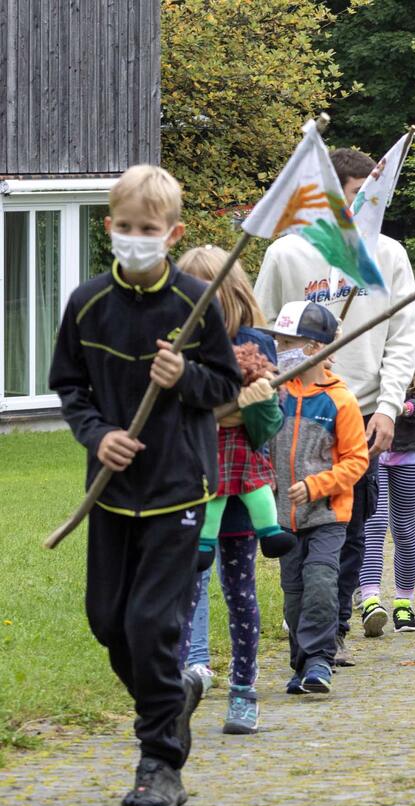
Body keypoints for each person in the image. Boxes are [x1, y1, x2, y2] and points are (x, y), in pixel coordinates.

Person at [48, 165, 240, 806]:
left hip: (178, 490)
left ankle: (160, 761)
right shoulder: (87, 303)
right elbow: (70, 387)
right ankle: (172, 696)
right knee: (108, 620)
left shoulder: (195, 302)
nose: (136, 238)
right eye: (125, 227)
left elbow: (226, 387)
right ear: (109, 229)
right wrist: (97, 434)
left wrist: (185, 373)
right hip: (109, 491)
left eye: (148, 229)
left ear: (172, 232)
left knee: (151, 623)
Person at [255, 148, 415, 665]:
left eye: (368, 199)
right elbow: (262, 332)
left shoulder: (389, 255)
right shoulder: (287, 254)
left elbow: (403, 336)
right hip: (296, 413)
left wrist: (389, 407)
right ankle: (304, 621)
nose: (359, 209)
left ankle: (334, 628)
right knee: (296, 528)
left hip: (360, 414)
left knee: (349, 528)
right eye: (351, 198)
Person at [175, 245, 287, 734]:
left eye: (208, 291)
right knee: (185, 590)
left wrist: (257, 405)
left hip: (243, 488)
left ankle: (244, 690)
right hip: (188, 488)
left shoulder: (257, 343)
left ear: (232, 291)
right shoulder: (174, 347)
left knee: (240, 592)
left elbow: (268, 429)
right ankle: (178, 687)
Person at [266, 302, 369, 693]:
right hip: (284, 517)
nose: (279, 347)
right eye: (278, 339)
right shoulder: (274, 393)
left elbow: (357, 460)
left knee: (322, 582)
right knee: (294, 594)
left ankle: (320, 661)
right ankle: (301, 664)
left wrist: (316, 485)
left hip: (327, 515)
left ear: (313, 348)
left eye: (288, 341)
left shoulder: (340, 400)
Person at [356, 303, 415, 634]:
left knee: (404, 528)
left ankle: (404, 603)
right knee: (373, 525)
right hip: (372, 447)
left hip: (410, 447)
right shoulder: (368, 344)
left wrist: (401, 406)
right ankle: (370, 600)